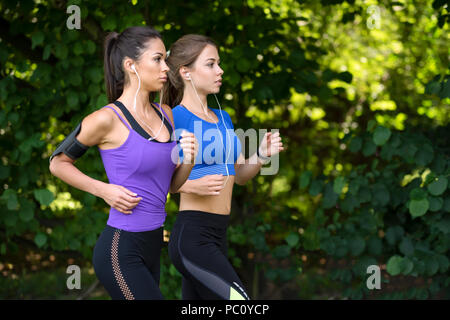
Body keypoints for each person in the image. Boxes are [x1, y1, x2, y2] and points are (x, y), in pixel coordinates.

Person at [49, 26, 198, 300]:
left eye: (166, 59)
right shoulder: (106, 119)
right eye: (157, 59)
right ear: (131, 65)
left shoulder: (166, 114)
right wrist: (103, 190)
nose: (166, 67)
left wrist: (187, 159)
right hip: (120, 247)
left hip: (154, 243)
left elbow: (172, 187)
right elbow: (58, 163)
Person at [163, 34, 285, 300]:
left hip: (219, 234)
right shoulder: (172, 117)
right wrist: (191, 184)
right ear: (186, 72)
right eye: (210, 64)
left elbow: (239, 176)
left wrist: (262, 154)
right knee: (239, 302)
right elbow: (154, 178)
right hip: (192, 237)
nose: (220, 71)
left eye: (219, 64)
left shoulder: (223, 117)